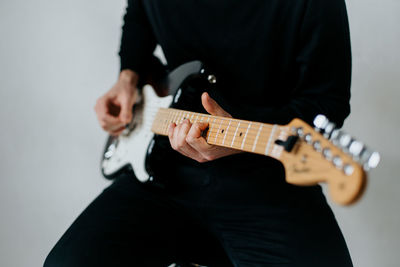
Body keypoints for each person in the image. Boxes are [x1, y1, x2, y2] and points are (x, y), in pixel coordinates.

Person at [44, 0, 354, 266]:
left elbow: (326, 105)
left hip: (270, 178)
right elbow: (139, 10)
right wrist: (127, 75)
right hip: (163, 172)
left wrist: (235, 137)